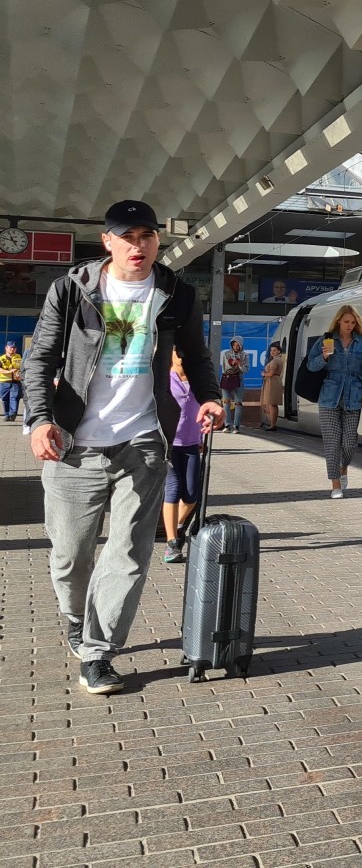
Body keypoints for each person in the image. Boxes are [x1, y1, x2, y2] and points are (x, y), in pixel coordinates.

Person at [23, 199, 224, 695]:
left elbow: (196, 356)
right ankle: (75, 618)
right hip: (74, 444)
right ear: (107, 241)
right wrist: (39, 419)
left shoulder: (175, 292)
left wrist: (211, 398)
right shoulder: (71, 289)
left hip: (143, 441)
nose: (139, 246)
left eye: (147, 236)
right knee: (70, 556)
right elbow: (41, 356)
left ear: (158, 240)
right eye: (128, 237)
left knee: (130, 553)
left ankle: (98, 651)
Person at [306, 305, 362, 498]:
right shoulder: (328, 339)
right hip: (329, 396)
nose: (350, 325)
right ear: (339, 321)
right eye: (346, 322)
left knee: (349, 444)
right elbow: (311, 366)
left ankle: (343, 467)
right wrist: (324, 357)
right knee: (332, 442)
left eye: (353, 322)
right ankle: (335, 485)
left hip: (353, 396)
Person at [162, 351, 203, 564]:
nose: (183, 357)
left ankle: (177, 526)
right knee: (173, 488)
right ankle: (172, 544)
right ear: (172, 354)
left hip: (191, 444)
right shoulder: (164, 378)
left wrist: (202, 434)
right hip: (168, 444)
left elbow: (203, 408)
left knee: (191, 495)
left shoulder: (198, 379)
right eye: (180, 353)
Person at [218, 337, 246, 433]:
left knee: (238, 402)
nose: (236, 347)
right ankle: (227, 425)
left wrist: (240, 365)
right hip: (227, 378)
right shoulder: (226, 354)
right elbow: (225, 367)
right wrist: (234, 364)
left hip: (238, 378)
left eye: (238, 345)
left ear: (241, 345)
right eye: (234, 345)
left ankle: (236, 426)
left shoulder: (245, 355)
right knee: (226, 402)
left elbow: (246, 370)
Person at [258, 341, 283, 430]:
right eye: (271, 350)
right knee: (273, 404)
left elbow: (271, 373)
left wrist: (264, 374)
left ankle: (273, 425)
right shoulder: (278, 359)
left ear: (279, 351)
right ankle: (273, 424)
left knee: (272, 404)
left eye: (275, 350)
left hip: (272, 382)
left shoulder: (275, 360)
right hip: (275, 381)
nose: (272, 352)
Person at [0, 338, 22, 421]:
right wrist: (9, 372)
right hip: (4, 382)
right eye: (11, 347)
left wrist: (20, 374)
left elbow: (21, 368)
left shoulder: (19, 357)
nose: (13, 349)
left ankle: (13, 414)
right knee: (5, 399)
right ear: (6, 348)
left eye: (14, 348)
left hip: (16, 381)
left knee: (15, 397)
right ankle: (7, 415)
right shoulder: (1, 358)